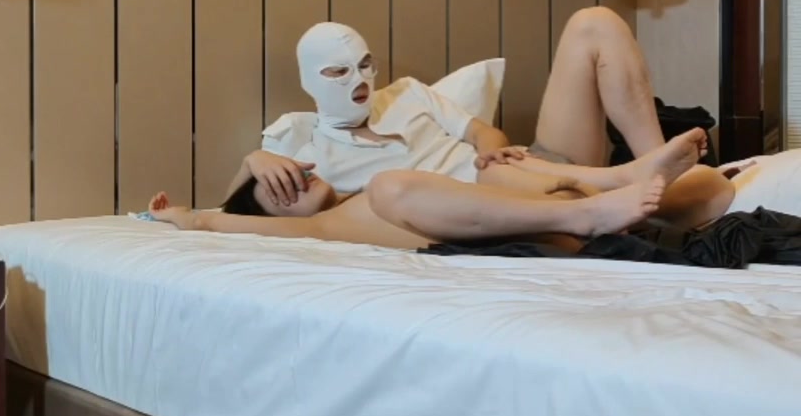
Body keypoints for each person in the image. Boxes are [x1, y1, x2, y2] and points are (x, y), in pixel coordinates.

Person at [233, 7, 732, 219]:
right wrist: (254, 158)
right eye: (338, 72)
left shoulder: (407, 93)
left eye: (365, 65)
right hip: (489, 203)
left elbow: (483, 133)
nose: (358, 81)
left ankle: (652, 164)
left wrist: (492, 151)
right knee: (711, 191)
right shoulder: (301, 141)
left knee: (594, 22)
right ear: (310, 80)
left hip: (526, 165)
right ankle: (641, 184)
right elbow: (234, 204)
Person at [150, 130, 710, 253]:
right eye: (282, 192)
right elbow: (217, 217)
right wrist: (184, 215)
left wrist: (258, 157)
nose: (296, 180)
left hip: (540, 203)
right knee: (390, 185)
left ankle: (619, 180)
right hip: (550, 226)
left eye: (291, 171)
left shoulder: (351, 198)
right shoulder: (315, 229)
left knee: (489, 167)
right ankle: (593, 209)